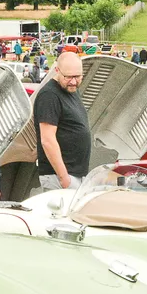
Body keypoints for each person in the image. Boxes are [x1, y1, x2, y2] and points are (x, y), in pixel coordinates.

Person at [34, 52, 90, 191]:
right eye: (68, 77)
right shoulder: (49, 96)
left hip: (75, 175)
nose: (73, 81)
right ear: (57, 70)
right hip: (59, 177)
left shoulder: (71, 90)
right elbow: (47, 140)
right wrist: (64, 178)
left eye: (77, 77)